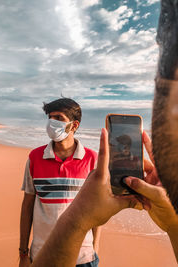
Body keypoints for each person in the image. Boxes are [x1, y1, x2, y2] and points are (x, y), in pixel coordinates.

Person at [30, 129, 178, 267]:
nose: (122, 150)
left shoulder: (92, 157)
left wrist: (79, 222)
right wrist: (173, 224)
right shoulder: (34, 157)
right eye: (119, 147)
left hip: (84, 254)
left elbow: (95, 207)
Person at [19, 98, 101, 267]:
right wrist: (23, 252)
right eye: (50, 117)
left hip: (82, 258)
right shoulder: (35, 157)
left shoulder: (92, 159)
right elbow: (27, 206)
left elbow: (96, 210)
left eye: (59, 118)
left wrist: (94, 248)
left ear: (74, 125)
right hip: (42, 253)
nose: (52, 122)